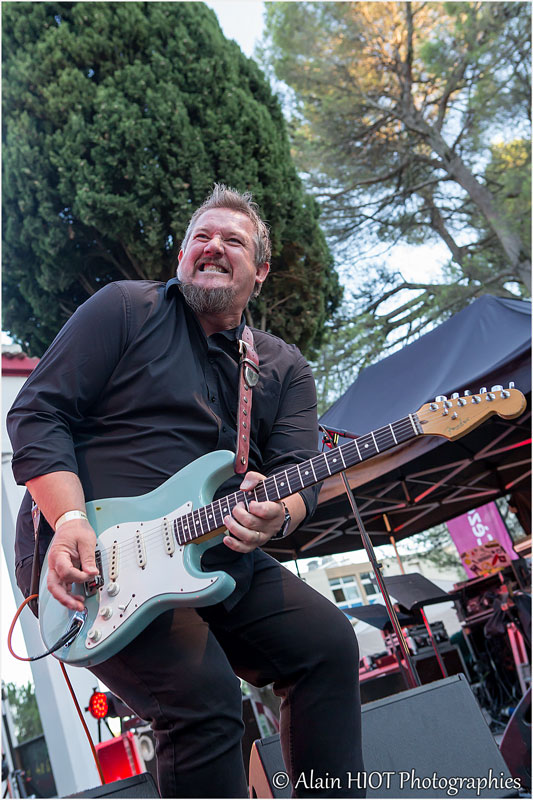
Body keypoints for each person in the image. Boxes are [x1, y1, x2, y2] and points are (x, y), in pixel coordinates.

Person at [8, 185, 364, 798]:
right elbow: (37, 414)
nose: (214, 246)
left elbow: (301, 472)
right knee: (203, 700)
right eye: (202, 236)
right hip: (90, 556)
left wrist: (278, 514)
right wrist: (69, 519)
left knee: (329, 645)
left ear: (261, 271)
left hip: (212, 551)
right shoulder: (125, 309)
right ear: (182, 256)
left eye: (233, 240)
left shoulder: (283, 369)